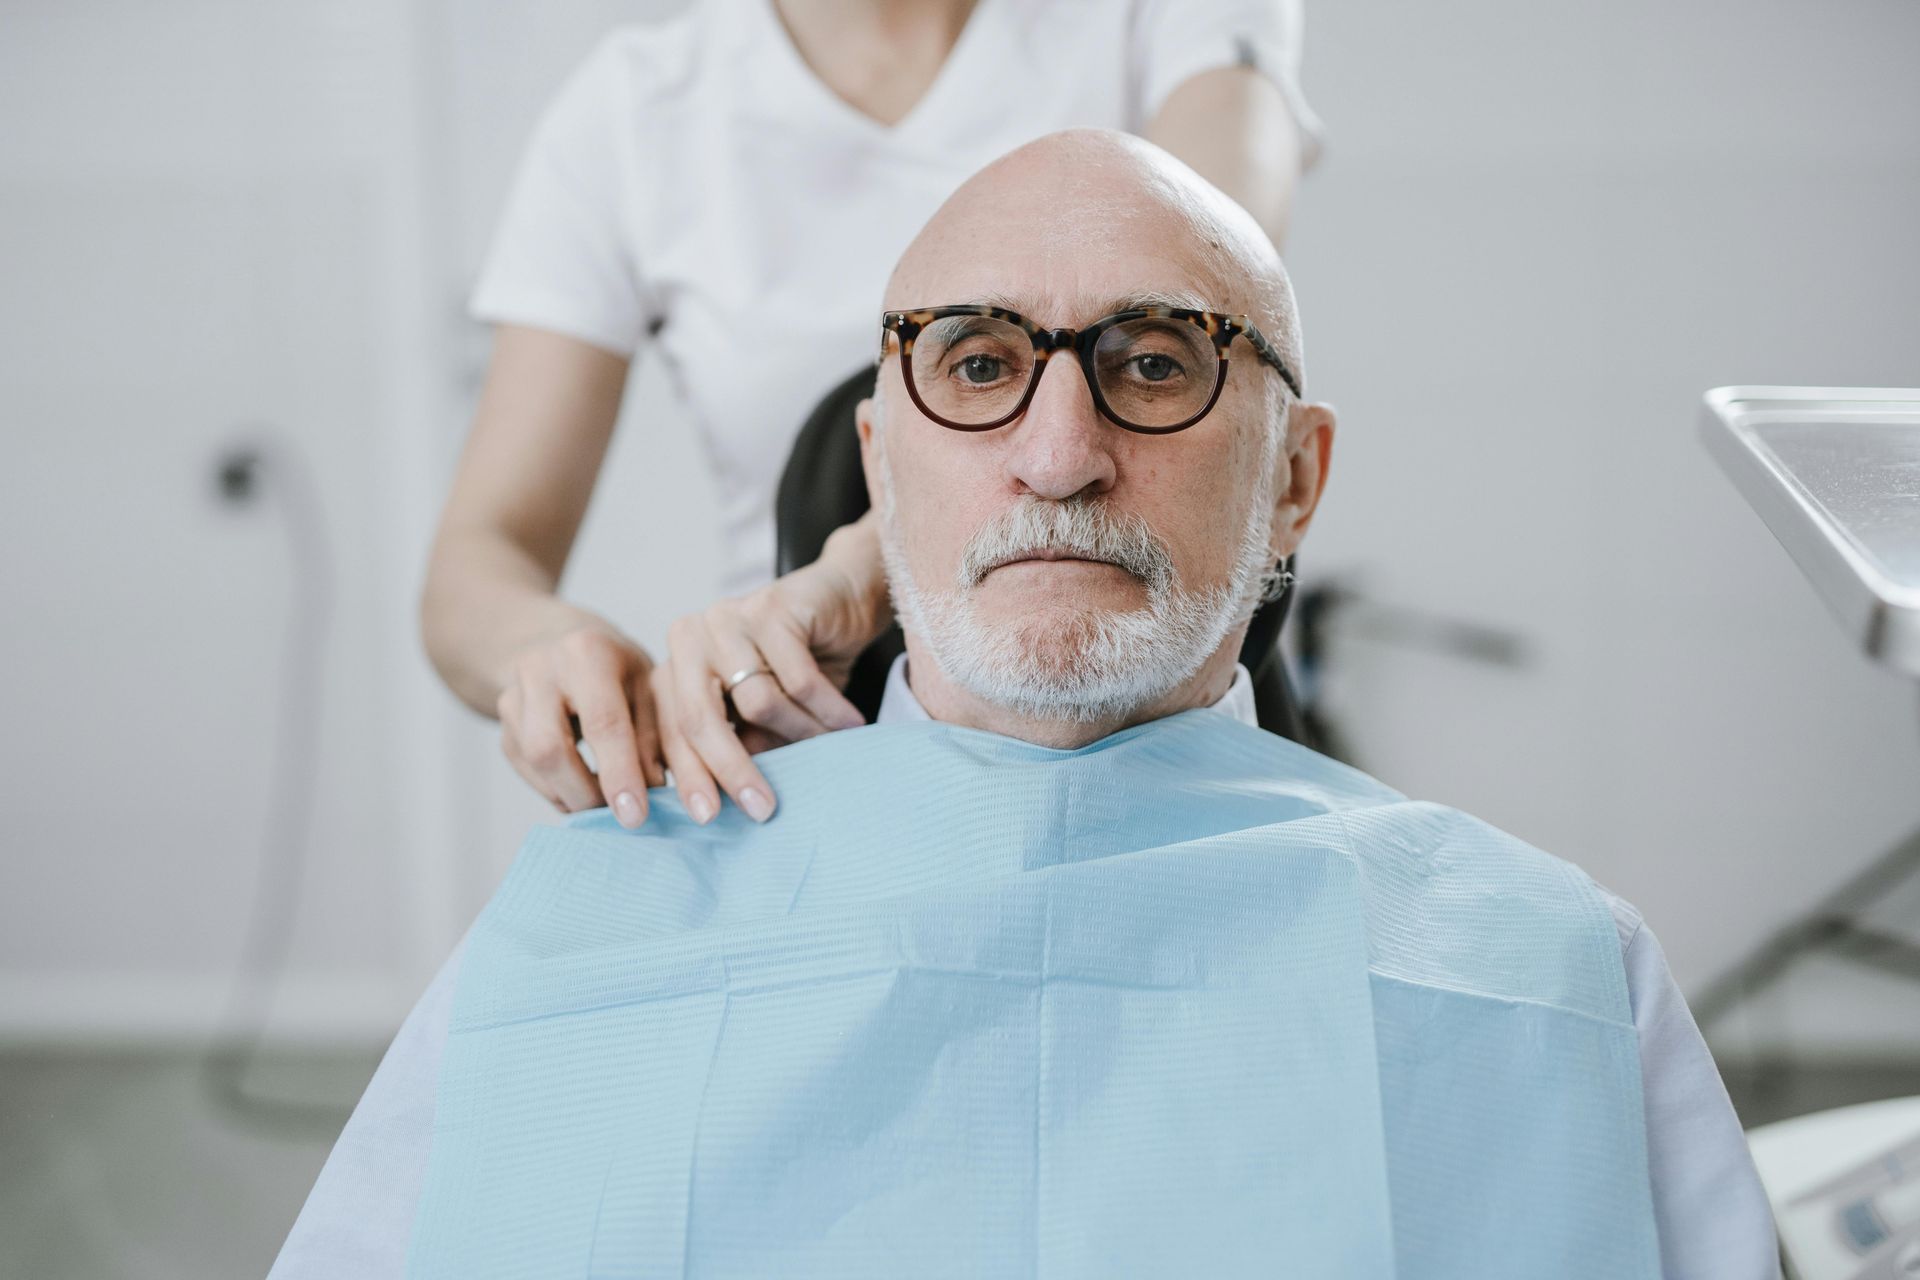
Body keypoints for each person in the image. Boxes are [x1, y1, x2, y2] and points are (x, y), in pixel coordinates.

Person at [275, 132, 1778, 1277]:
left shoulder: (1551, 963)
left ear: (1297, 480)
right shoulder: (591, 921)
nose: (1060, 454)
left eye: (1153, 362)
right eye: (980, 364)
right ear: (878, 467)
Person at [419, 0, 1324, 830]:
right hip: (800, 712)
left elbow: (1212, 282)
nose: (1054, 456)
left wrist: (867, 566)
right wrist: (568, 660)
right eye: (975, 367)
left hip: (1143, 678)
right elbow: (479, 564)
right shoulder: (636, 111)